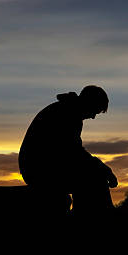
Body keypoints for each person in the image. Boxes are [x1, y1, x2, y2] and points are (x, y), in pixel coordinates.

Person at [18, 85, 118, 218]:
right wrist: (104, 169)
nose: (93, 117)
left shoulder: (66, 109)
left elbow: (72, 152)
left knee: (93, 175)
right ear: (89, 103)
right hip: (39, 170)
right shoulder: (68, 113)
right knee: (95, 179)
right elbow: (73, 152)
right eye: (95, 111)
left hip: (39, 167)